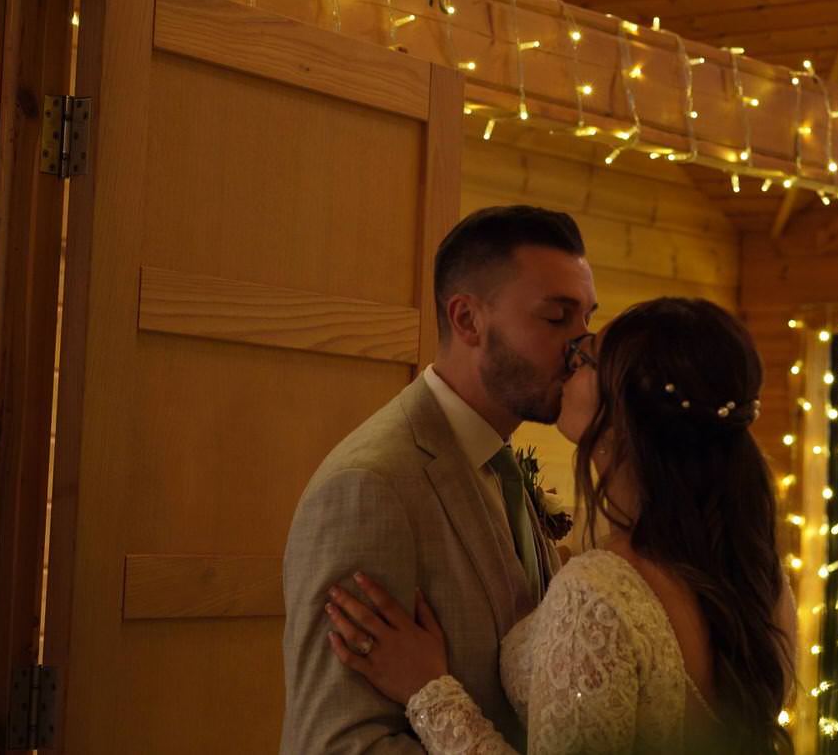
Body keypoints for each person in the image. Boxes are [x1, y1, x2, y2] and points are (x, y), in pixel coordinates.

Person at [324, 297, 798, 753]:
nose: (570, 359)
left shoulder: (599, 592)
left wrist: (428, 691)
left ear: (621, 419)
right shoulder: (761, 576)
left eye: (588, 359)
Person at [281, 205, 597, 752]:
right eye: (556, 318)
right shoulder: (372, 486)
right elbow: (337, 744)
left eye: (586, 320)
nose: (580, 349)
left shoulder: (499, 464)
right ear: (468, 320)